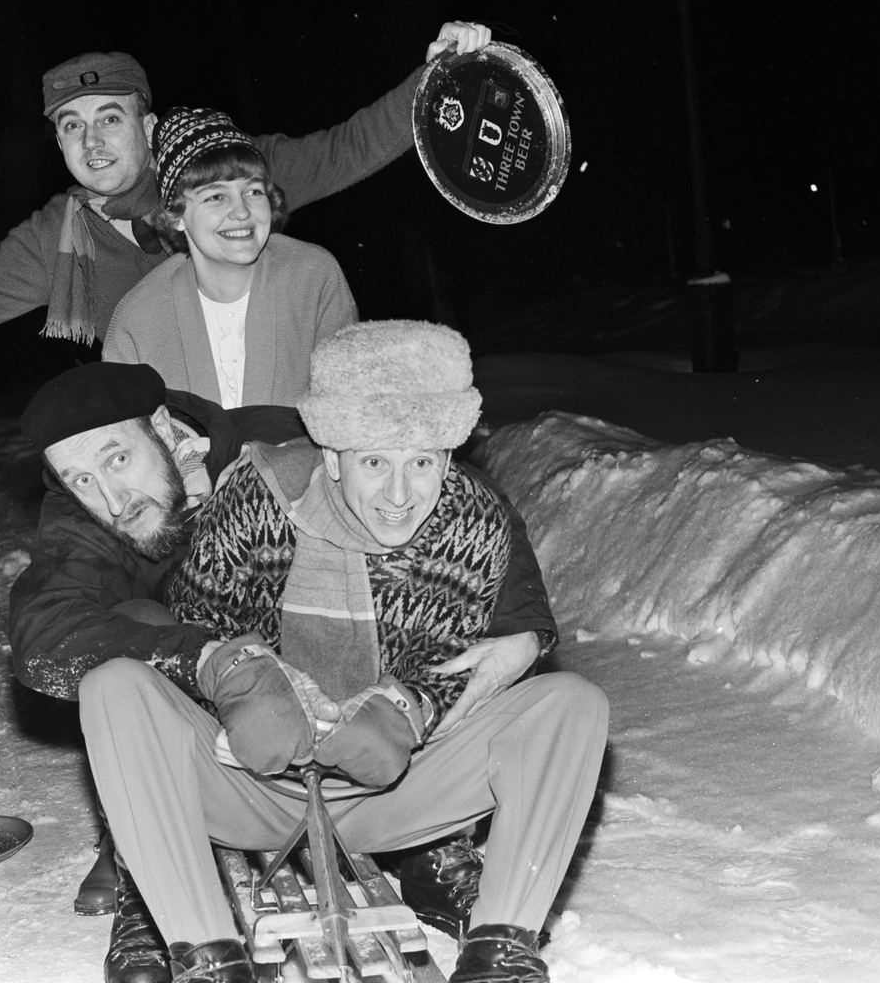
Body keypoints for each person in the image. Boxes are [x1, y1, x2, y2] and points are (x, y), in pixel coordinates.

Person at [72, 322, 609, 983]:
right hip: (250, 778)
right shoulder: (256, 500)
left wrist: (405, 704)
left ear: (447, 455)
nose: (399, 493)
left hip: (392, 784)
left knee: (570, 704)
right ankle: (203, 952)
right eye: (373, 461)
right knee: (115, 686)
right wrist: (235, 697)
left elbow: (458, 663)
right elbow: (195, 633)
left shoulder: (474, 522)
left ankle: (500, 950)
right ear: (329, 456)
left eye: (422, 461)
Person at [0, 23, 491, 346]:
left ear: (148, 123)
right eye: (71, 126)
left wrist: (434, 82)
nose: (92, 141)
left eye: (109, 118)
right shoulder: (58, 234)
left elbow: (351, 146)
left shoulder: (225, 175)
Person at [102, 106, 357, 406]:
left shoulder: (313, 277)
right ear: (176, 216)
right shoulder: (138, 319)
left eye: (253, 192)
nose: (241, 212)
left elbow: (349, 408)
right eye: (216, 197)